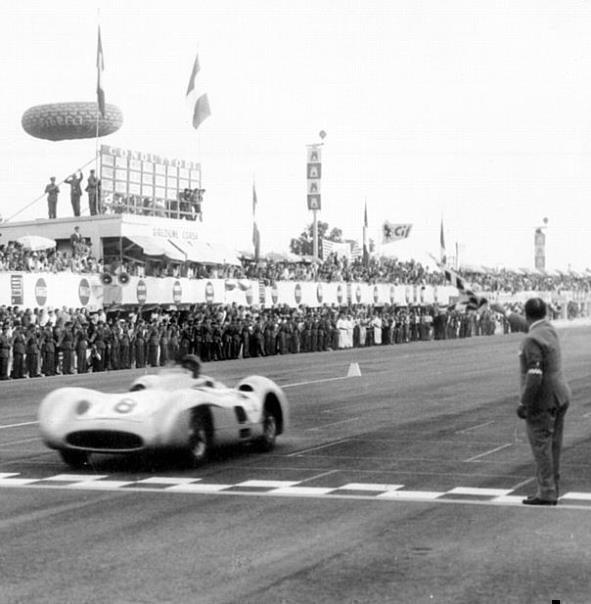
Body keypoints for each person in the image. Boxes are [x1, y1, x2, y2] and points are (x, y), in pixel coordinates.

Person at [494, 298, 571, 506]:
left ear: (527, 314)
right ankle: (553, 488)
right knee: (554, 446)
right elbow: (529, 325)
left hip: (542, 400)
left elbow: (534, 375)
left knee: (541, 446)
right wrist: (505, 312)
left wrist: (524, 403)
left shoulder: (531, 340)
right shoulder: (548, 329)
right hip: (560, 395)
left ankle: (546, 492)